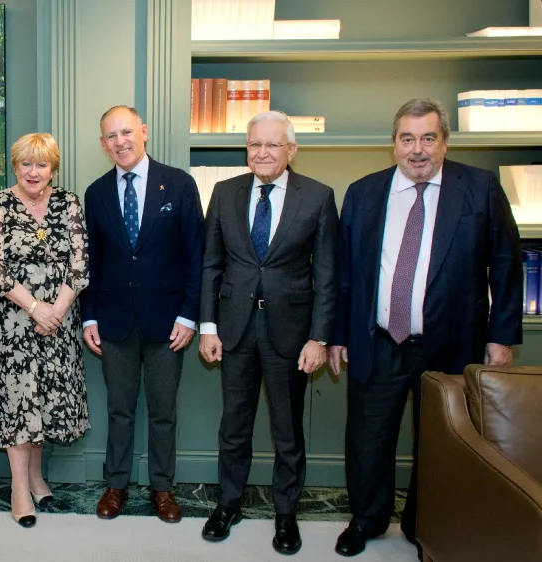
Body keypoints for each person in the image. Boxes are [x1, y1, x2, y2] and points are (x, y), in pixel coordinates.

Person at [329, 98, 523, 558]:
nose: (417, 150)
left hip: (451, 343)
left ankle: (424, 524)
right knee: (367, 438)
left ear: (445, 142)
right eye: (408, 139)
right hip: (378, 341)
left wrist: (501, 336)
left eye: (428, 138)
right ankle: (367, 519)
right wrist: (337, 335)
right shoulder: (363, 192)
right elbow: (344, 273)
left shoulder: (479, 188)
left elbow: (506, 263)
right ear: (394, 144)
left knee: (439, 441)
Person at [198, 111, 338, 554]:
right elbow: (210, 265)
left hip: (291, 335)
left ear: (291, 150)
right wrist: (207, 327)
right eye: (254, 144)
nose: (261, 153)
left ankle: (285, 513)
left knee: (287, 429)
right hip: (234, 329)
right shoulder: (225, 192)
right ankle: (229, 503)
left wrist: (319, 338)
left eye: (273, 145)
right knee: (234, 425)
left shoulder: (317, 196)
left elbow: (327, 276)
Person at [82, 105, 205, 523]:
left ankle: (162, 489)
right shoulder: (96, 193)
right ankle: (115, 485)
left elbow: (197, 256)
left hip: (168, 322)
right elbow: (92, 262)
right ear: (103, 144)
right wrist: (89, 317)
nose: (120, 142)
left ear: (144, 132)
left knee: (163, 410)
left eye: (126, 132)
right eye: (111, 136)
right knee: (119, 409)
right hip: (114, 320)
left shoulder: (179, 184)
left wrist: (189, 316)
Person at [0, 133, 90, 528]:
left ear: (53, 168)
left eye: (41, 164)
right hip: (13, 322)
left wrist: (55, 312)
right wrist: (35, 308)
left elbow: (80, 265)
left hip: (59, 321)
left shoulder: (69, 203)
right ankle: (19, 488)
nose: (33, 171)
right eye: (26, 163)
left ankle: (37, 478)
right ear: (15, 166)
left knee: (43, 398)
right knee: (19, 401)